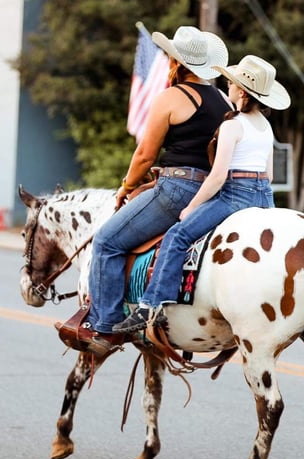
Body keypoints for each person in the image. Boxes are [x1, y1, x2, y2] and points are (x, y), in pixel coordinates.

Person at [57, 25, 232, 357]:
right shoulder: (223, 100)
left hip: (176, 190)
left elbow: (144, 155)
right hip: (212, 192)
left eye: (169, 58)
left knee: (107, 241)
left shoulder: (171, 97)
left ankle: (105, 327)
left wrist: (127, 186)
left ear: (177, 63)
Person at [112, 54, 291, 334]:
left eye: (231, 83)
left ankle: (151, 306)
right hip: (263, 197)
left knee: (178, 235)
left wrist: (191, 207)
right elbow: (267, 175)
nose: (227, 87)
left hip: (235, 195)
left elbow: (218, 176)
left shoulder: (233, 125)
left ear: (241, 91)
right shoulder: (265, 127)